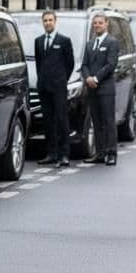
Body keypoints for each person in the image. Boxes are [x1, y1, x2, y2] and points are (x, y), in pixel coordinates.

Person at [34, 11, 75, 167]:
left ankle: (64, 154)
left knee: (61, 120)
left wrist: (61, 79)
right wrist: (42, 80)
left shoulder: (64, 41)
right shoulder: (38, 41)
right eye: (45, 20)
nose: (48, 23)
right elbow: (39, 63)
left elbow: (69, 64)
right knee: (48, 121)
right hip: (44, 87)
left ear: (55, 21)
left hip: (59, 87)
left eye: (50, 20)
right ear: (42, 22)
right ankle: (51, 153)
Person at [80, 12, 119, 166]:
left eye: (100, 23)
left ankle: (111, 153)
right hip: (92, 89)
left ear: (106, 24)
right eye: (95, 23)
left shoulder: (112, 42)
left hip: (105, 88)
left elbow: (111, 64)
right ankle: (100, 153)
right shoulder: (90, 44)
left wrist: (96, 78)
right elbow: (84, 64)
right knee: (96, 122)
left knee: (108, 121)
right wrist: (88, 77)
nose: (97, 25)